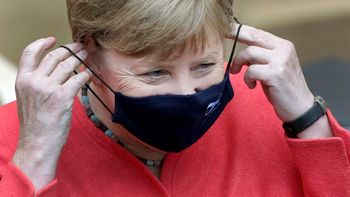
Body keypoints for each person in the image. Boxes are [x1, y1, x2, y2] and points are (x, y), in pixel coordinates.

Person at [0, 0, 349, 196]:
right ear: (88, 52)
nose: (186, 93)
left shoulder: (274, 109)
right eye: (155, 72)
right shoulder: (16, 140)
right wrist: (34, 160)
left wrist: (311, 125)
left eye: (205, 65)